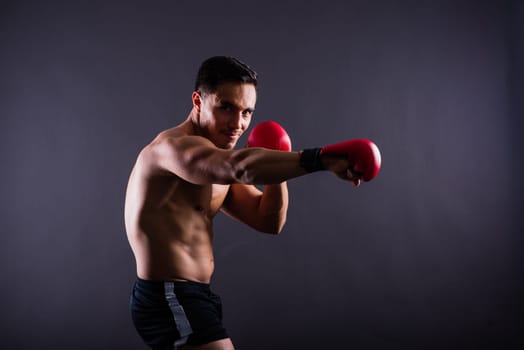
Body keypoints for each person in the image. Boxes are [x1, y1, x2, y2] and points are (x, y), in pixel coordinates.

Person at [125, 56, 380, 350]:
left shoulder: (218, 158)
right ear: (198, 100)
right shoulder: (171, 150)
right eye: (227, 108)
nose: (238, 123)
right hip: (168, 295)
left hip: (195, 294)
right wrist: (321, 158)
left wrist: (276, 167)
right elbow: (241, 169)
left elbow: (268, 221)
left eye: (247, 112)